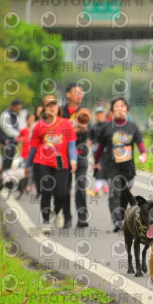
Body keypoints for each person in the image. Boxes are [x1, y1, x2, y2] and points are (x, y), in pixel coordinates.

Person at [24, 95, 77, 234]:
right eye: (48, 105)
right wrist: (27, 165)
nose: (52, 107)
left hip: (60, 162)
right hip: (42, 161)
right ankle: (46, 222)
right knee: (46, 192)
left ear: (58, 107)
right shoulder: (39, 126)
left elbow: (71, 145)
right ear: (44, 109)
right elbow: (33, 148)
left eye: (54, 104)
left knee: (61, 193)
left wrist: (73, 160)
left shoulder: (66, 124)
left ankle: (56, 212)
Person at [94, 98, 147, 233]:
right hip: (112, 167)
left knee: (125, 194)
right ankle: (117, 221)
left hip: (128, 168)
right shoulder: (107, 127)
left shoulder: (132, 127)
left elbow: (140, 143)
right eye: (117, 106)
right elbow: (100, 147)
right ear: (112, 110)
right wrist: (96, 162)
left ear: (126, 109)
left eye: (122, 106)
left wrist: (144, 154)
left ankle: (122, 217)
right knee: (114, 192)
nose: (120, 109)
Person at [61, 83, 90, 228]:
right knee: (65, 188)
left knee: (81, 186)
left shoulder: (84, 112)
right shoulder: (61, 112)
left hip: (81, 153)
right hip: (63, 155)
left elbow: (89, 132)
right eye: (76, 92)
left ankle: (82, 218)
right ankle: (67, 218)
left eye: (81, 92)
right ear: (68, 94)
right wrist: (73, 129)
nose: (79, 95)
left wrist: (83, 129)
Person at [88, 106, 109, 197]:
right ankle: (98, 186)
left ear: (104, 115)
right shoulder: (93, 127)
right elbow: (90, 137)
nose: (100, 116)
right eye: (98, 114)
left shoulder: (108, 125)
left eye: (101, 114)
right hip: (97, 151)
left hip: (107, 151)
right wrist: (90, 141)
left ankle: (104, 184)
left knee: (105, 168)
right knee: (98, 167)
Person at [0, 99, 23, 175]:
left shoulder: (15, 115)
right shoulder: (6, 115)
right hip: (6, 142)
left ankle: (5, 177)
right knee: (6, 162)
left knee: (9, 162)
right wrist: (19, 134)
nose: (18, 110)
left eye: (19, 109)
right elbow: (8, 130)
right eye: (17, 108)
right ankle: (1, 177)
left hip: (13, 143)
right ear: (12, 106)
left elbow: (18, 127)